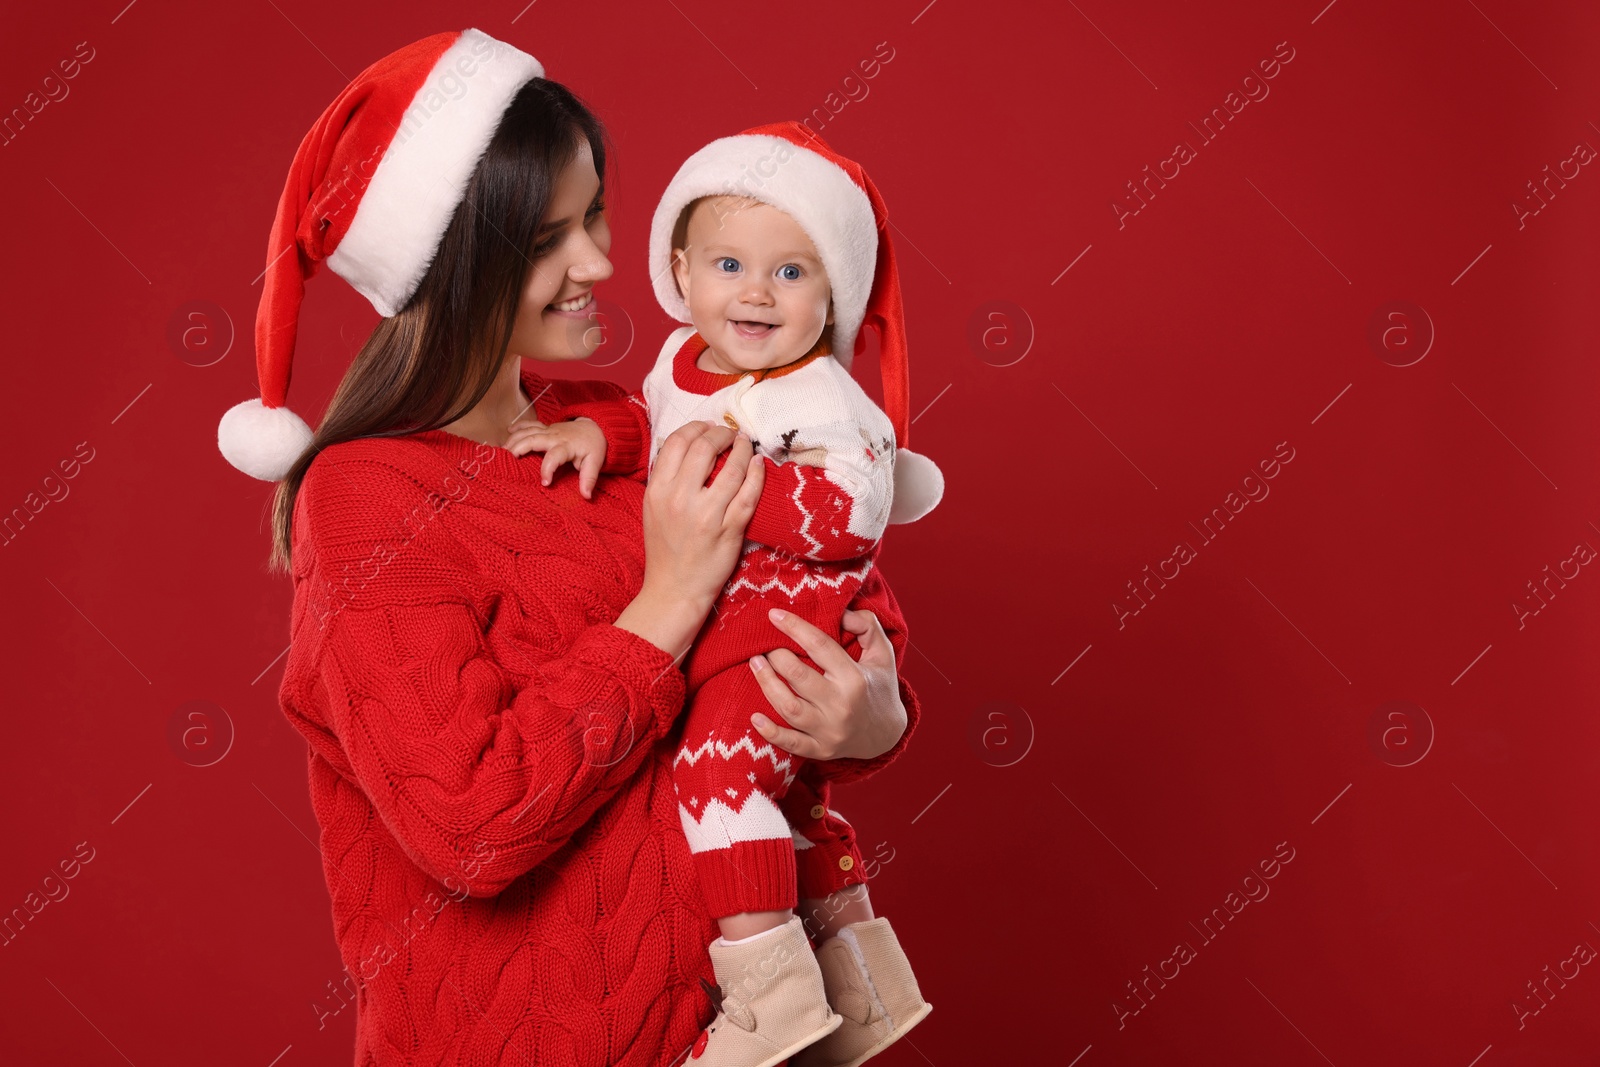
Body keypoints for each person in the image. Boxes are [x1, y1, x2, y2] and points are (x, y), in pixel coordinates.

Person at [215, 28, 921, 1067]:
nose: (598, 260)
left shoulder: (630, 426)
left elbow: (818, 592)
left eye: (593, 212)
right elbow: (472, 825)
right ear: (456, 260)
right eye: (548, 239)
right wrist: (669, 599)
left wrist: (872, 711)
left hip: (744, 1035)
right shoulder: (366, 499)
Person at [519, 122, 942, 1067]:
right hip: (734, 621)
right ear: (679, 269)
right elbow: (655, 425)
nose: (755, 291)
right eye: (728, 263)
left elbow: (850, 509)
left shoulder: (825, 395)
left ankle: (771, 993)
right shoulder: (680, 363)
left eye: (791, 274)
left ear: (834, 295)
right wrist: (608, 443)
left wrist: (733, 487)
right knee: (790, 812)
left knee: (718, 777)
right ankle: (863, 985)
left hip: (786, 619)